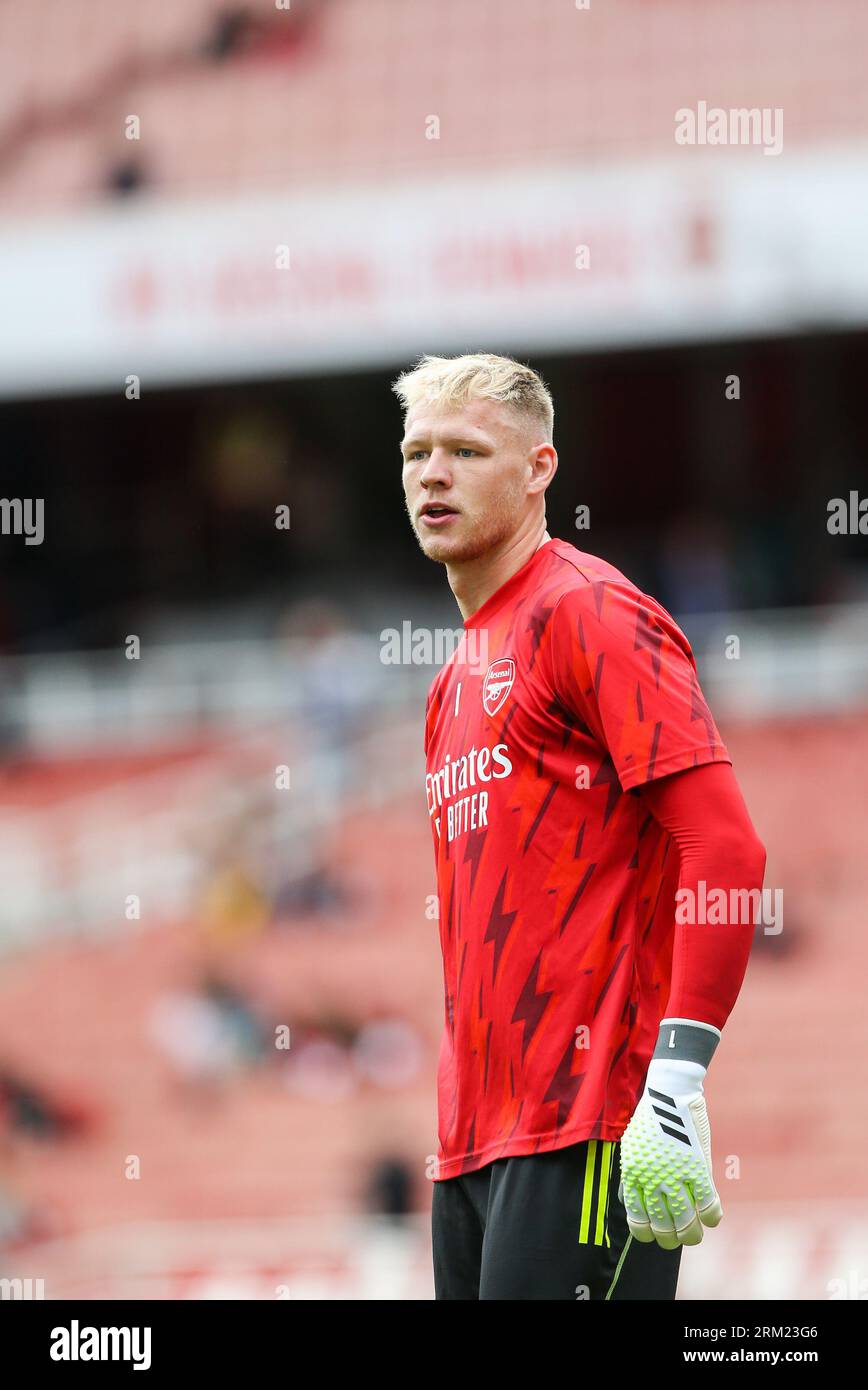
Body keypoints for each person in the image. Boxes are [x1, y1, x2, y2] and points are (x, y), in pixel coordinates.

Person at [393, 352, 766, 1301]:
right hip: (473, 1145)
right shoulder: (449, 685)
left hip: (593, 1125)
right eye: (417, 452)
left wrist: (677, 1082)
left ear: (539, 469)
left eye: (467, 451)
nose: (434, 473)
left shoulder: (589, 611)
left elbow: (724, 847)